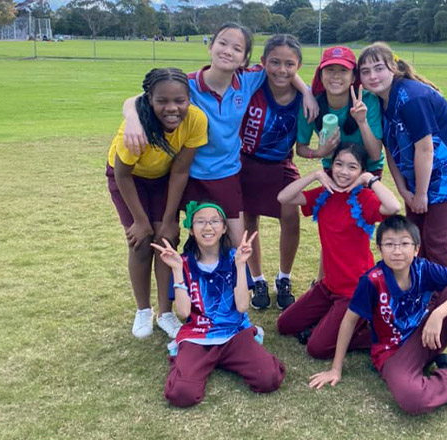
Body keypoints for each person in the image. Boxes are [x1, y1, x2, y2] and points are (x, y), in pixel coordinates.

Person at [122, 23, 318, 248]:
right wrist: (132, 117)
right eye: (223, 43)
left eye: (237, 48)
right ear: (211, 47)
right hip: (190, 174)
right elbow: (139, 99)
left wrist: (307, 92)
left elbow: (282, 69)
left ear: (244, 59)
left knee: (236, 244)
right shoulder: (188, 84)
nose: (228, 51)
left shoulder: (248, 79)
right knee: (198, 239)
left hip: (227, 173)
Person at [308, 215, 447, 428]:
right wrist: (336, 369)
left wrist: (438, 314)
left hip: (427, 336)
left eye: (404, 244)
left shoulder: (424, 268)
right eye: (389, 244)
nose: (397, 251)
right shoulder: (372, 281)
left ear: (416, 249)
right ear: (379, 249)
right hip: (393, 352)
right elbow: (349, 321)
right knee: (413, 399)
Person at [357, 42, 447, 268]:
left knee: (437, 243)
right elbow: (390, 150)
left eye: (379, 68)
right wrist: (404, 190)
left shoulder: (412, 97)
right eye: (365, 71)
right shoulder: (380, 102)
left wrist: (421, 194)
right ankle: (423, 289)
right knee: (415, 240)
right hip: (418, 178)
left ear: (392, 68)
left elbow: (425, 148)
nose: (372, 76)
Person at [152, 201, 286, 408]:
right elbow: (184, 312)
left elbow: (242, 307)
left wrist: (240, 265)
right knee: (181, 394)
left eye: (215, 221)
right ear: (191, 229)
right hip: (198, 336)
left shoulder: (234, 258)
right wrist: (177, 270)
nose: (208, 227)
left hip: (234, 332)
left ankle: (225, 358)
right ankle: (197, 361)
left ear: (224, 228)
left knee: (269, 378)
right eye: (200, 222)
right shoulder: (183, 262)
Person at [106, 68, 208, 339]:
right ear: (149, 99)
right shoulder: (136, 125)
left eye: (179, 101)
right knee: (141, 241)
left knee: (166, 241)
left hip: (164, 177)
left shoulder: (196, 120)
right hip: (129, 179)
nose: (172, 108)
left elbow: (180, 170)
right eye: (162, 101)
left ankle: (165, 313)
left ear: (189, 100)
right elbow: (122, 174)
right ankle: (143, 310)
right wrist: (140, 221)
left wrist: (170, 218)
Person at [276, 143, 400, 359]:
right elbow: (283, 198)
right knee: (285, 324)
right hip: (329, 286)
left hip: (355, 290)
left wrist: (369, 179)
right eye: (339, 164)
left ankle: (372, 331)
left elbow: (394, 207)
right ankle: (334, 322)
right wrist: (315, 175)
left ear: (361, 171)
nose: (344, 172)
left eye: (352, 167)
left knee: (317, 348)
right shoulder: (325, 195)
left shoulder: (365, 199)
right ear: (331, 166)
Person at [238, 34, 304, 311]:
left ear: (298, 66)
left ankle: (284, 278)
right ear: (263, 62)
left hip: (280, 163)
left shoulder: (303, 96)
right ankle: (257, 280)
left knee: (290, 216)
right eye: (275, 62)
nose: (281, 70)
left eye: (289, 64)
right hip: (246, 162)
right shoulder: (252, 82)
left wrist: (308, 92)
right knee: (248, 221)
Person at [296, 45, 385, 177]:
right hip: (333, 169)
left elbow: (375, 155)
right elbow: (301, 148)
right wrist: (318, 153)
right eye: (330, 70)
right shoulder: (312, 105)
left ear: (353, 77)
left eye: (343, 70)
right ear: (320, 75)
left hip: (368, 170)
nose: (336, 76)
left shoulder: (368, 101)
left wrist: (362, 121)